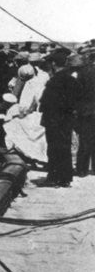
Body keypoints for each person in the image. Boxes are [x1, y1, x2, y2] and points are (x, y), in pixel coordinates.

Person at [40, 52, 81, 187]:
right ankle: (65, 178)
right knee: (65, 147)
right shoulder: (71, 80)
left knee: (53, 148)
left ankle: (54, 177)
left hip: (54, 119)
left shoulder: (54, 81)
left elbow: (46, 102)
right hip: (67, 119)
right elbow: (77, 98)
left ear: (53, 64)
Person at [73, 53, 95, 177]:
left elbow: (78, 93)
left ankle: (82, 169)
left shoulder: (83, 73)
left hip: (86, 111)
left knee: (85, 140)